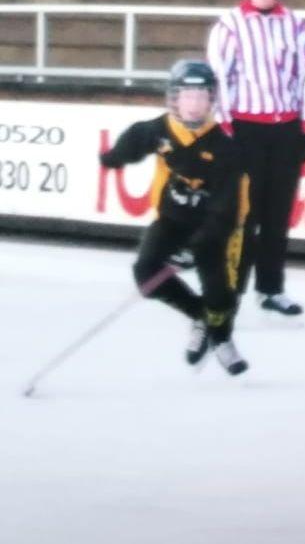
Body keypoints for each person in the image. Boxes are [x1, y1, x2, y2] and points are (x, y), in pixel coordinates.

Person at [99, 60, 249, 375]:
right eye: (187, 96)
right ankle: (199, 315)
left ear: (211, 100)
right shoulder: (162, 130)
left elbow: (227, 207)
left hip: (215, 228)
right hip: (173, 219)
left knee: (220, 293)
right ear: (174, 98)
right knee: (145, 273)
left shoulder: (225, 147)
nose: (194, 104)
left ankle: (221, 337)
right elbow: (137, 138)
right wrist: (115, 157)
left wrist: (199, 244)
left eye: (201, 96)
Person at [206, 0, 305, 318]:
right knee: (244, 214)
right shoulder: (229, 25)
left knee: (277, 212)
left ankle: (271, 288)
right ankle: (231, 288)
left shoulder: (296, 26)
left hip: (284, 129)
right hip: (244, 129)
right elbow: (220, 80)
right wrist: (224, 129)